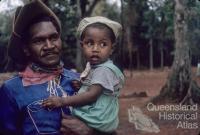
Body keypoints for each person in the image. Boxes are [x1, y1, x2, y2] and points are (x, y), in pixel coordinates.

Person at [0, 0, 84, 135]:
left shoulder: (81, 80)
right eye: (38, 41)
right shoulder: (11, 91)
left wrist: (89, 131)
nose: (49, 46)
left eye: (54, 37)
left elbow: (109, 126)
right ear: (26, 49)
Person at [42, 16, 125, 134]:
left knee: (65, 121)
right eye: (90, 43)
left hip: (97, 118)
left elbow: (92, 95)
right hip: (102, 119)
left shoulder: (103, 70)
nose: (95, 49)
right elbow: (95, 87)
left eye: (103, 44)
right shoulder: (94, 67)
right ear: (82, 46)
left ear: (112, 48)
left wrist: (62, 101)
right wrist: (83, 85)